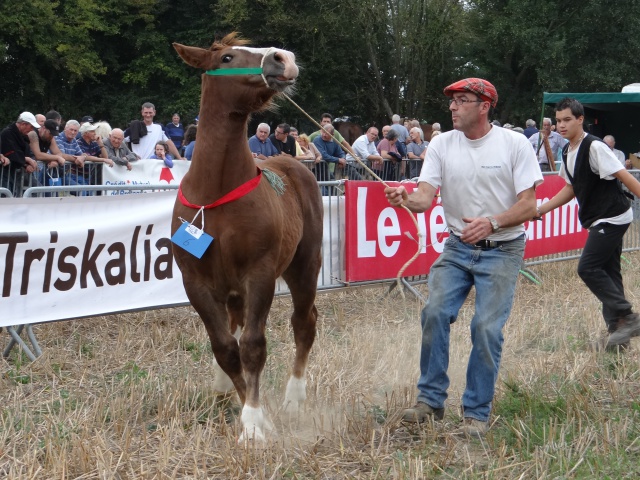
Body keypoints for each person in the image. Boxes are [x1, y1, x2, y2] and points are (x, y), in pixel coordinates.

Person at [385, 78, 542, 438]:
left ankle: (475, 414)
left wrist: (492, 222)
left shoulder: (514, 144)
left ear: (484, 106)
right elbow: (424, 199)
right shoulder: (441, 144)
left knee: (486, 329)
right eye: (452, 101)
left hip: (503, 248)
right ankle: (430, 401)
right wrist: (403, 197)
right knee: (435, 312)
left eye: (462, 100)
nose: (453, 107)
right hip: (457, 248)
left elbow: (529, 205)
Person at [536, 97, 640, 351]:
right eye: (558, 121)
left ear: (580, 119)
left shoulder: (594, 147)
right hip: (598, 217)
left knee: (588, 267)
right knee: (609, 274)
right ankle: (618, 336)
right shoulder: (567, 151)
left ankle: (630, 318)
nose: (561, 125)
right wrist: (540, 210)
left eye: (567, 120)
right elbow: (570, 188)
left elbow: (625, 177)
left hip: (612, 216)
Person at [0, 112, 39, 195]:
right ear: (23, 124)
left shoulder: (22, 135)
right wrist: (26, 159)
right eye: (31, 127)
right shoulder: (7, 133)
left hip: (14, 174)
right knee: (5, 196)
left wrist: (26, 164)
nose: (32, 130)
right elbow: (10, 153)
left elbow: (22, 152)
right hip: (5, 174)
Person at [27, 120, 66, 186]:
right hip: (28, 169)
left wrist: (55, 161)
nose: (52, 137)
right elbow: (38, 155)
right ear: (43, 128)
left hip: (41, 169)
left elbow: (58, 153)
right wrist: (57, 158)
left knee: (45, 192)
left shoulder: (50, 138)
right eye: (50, 134)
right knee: (36, 192)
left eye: (53, 135)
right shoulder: (33, 134)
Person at [312, 124, 345, 189]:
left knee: (332, 185)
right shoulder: (317, 140)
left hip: (324, 168)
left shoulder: (334, 142)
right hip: (315, 167)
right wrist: (338, 160)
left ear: (332, 135)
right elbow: (323, 155)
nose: (324, 135)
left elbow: (341, 153)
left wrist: (343, 160)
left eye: (326, 133)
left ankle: (334, 197)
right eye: (323, 132)